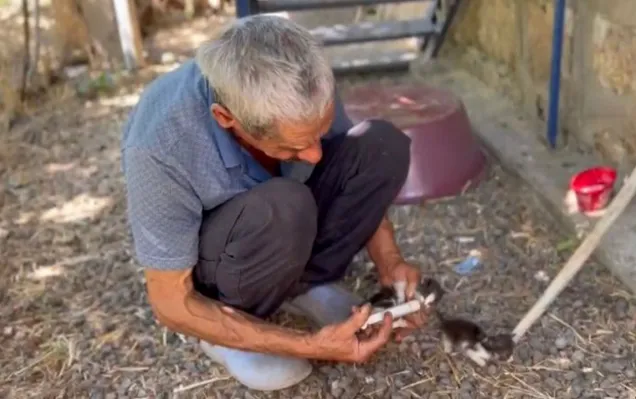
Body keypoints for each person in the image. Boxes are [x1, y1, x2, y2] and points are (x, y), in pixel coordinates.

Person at [120, 15, 428, 391]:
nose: (314, 155)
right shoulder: (159, 144)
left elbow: (349, 168)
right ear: (226, 118)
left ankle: (305, 284)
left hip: (280, 218)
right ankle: (229, 332)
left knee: (380, 146)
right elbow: (170, 301)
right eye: (294, 146)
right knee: (284, 204)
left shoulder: (300, 79)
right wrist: (309, 346)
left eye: (318, 132)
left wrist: (390, 261)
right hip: (225, 263)